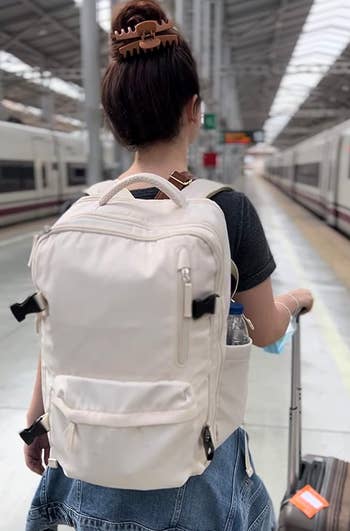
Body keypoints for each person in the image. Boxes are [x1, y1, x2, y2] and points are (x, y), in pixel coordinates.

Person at [25, 1, 314, 530]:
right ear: (194, 109)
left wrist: (35, 420)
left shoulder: (84, 210)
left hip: (86, 458)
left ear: (113, 120)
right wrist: (294, 301)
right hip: (189, 472)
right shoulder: (227, 209)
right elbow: (266, 328)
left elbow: (56, 323)